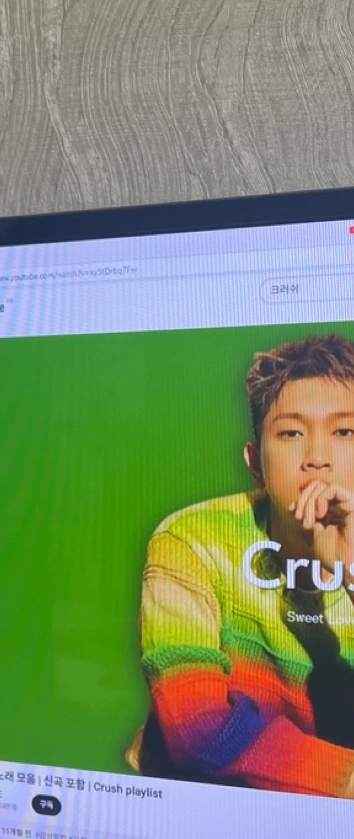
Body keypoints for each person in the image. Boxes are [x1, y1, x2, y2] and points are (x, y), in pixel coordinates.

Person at [133, 334, 354, 797]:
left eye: (345, 432)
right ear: (255, 463)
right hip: (208, 807)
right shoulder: (192, 540)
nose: (318, 458)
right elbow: (199, 731)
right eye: (291, 433)